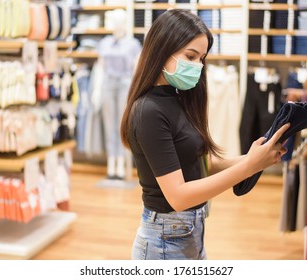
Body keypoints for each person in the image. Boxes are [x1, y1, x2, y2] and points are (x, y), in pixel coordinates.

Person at [120, 9, 290, 260]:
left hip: (191, 233)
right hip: (165, 241)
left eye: (202, 58)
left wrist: (253, 157)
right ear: (162, 49)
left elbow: (200, 164)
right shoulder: (148, 111)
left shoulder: (179, 99)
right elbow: (178, 196)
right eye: (191, 56)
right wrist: (248, 166)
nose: (198, 66)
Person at [97, 9, 142, 180]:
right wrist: (97, 89)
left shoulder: (132, 44)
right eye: (114, 21)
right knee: (109, 126)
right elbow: (100, 68)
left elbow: (135, 69)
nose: (117, 24)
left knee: (122, 125)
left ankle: (123, 165)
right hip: (108, 84)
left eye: (120, 20)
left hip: (124, 85)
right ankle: (111, 164)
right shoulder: (105, 42)